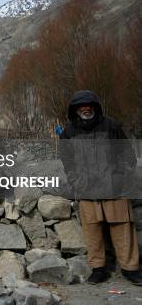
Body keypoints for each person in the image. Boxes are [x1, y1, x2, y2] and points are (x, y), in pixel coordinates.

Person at [59, 90, 142, 285]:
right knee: (92, 231)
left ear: (95, 107)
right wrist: (76, 181)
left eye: (89, 105)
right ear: (75, 109)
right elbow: (67, 161)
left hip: (115, 188)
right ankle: (98, 269)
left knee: (122, 228)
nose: (85, 109)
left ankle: (131, 269)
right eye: (81, 106)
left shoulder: (111, 126)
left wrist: (121, 177)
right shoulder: (68, 132)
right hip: (86, 189)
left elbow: (127, 154)